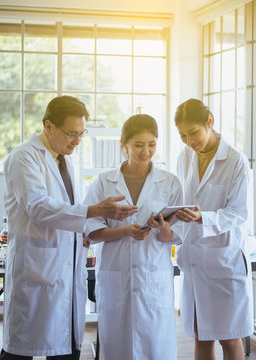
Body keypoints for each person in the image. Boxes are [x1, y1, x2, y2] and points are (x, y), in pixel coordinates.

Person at [1, 95, 138, 359]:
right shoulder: (24, 158)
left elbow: (65, 209)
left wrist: (83, 230)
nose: (77, 140)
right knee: (21, 350)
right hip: (38, 268)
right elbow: (39, 207)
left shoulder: (65, 158)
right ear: (49, 126)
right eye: (71, 134)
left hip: (66, 266)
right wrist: (94, 211)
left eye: (81, 133)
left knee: (66, 347)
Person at [83, 114, 183, 360]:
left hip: (154, 278)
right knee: (118, 348)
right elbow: (90, 230)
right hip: (117, 278)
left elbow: (177, 234)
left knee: (156, 348)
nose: (146, 151)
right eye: (138, 145)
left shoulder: (169, 182)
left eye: (152, 144)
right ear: (123, 144)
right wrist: (126, 231)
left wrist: (162, 228)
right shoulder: (104, 182)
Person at [173, 98, 254, 360]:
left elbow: (238, 213)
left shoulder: (235, 161)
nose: (189, 141)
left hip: (224, 262)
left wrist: (202, 218)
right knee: (201, 334)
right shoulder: (185, 156)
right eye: (183, 135)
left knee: (230, 337)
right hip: (195, 262)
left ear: (209, 121)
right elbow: (181, 198)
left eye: (193, 133)